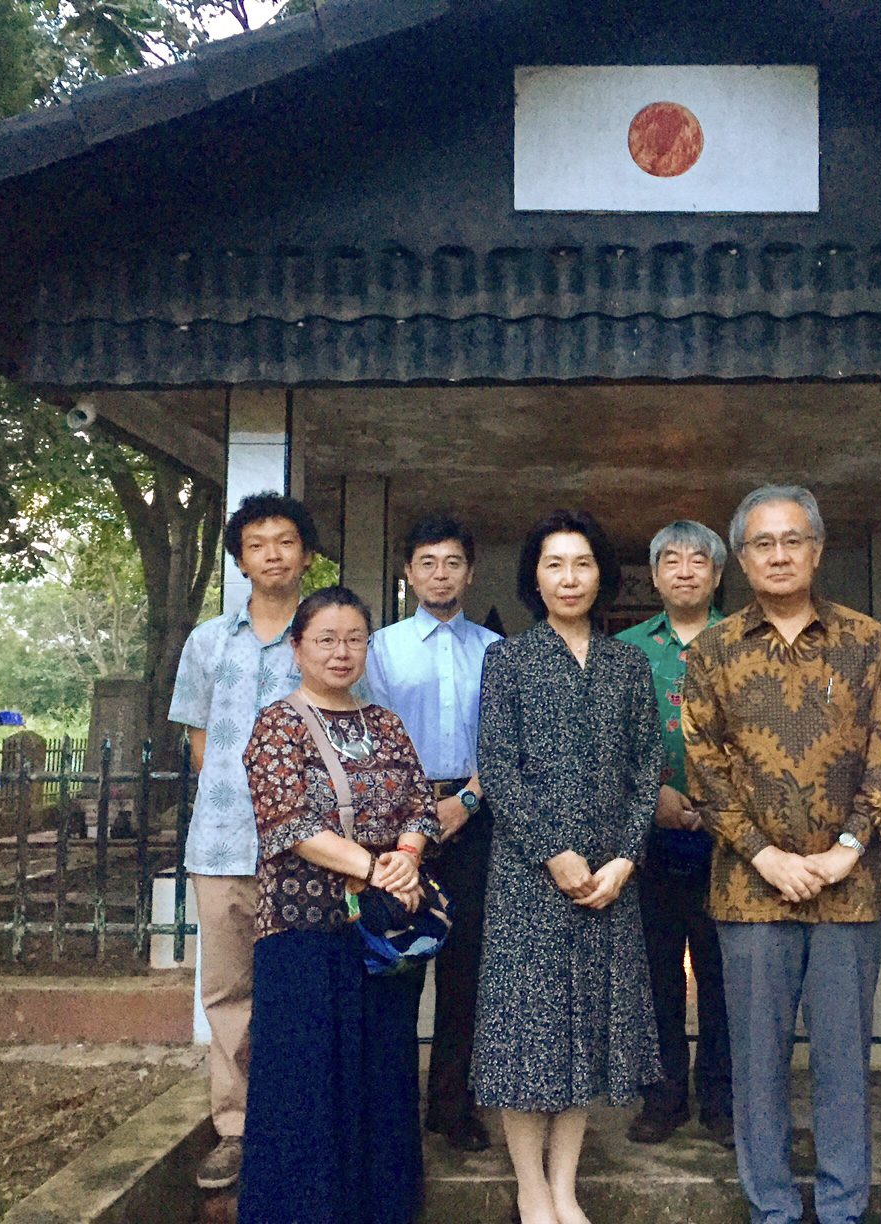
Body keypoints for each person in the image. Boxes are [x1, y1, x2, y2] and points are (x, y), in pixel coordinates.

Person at [683, 485, 881, 1224]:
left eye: (792, 541)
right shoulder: (713, 649)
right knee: (757, 1066)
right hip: (750, 892)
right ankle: (773, 1209)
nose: (778, 555)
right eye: (761, 544)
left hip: (850, 892)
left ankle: (844, 1210)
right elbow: (703, 765)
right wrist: (763, 855)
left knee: (845, 1064)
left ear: (816, 550)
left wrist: (848, 850)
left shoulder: (867, 640)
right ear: (741, 560)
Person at [471, 509, 664, 1224]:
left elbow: (649, 765)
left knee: (585, 1035)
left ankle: (565, 1184)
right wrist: (553, 853)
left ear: (601, 576)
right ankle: (529, 1185)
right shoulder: (508, 661)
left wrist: (624, 860)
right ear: (535, 577)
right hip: (530, 879)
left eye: (582, 563)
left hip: (608, 884)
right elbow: (499, 765)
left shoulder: (628, 664)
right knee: (530, 1038)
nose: (570, 577)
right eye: (555, 564)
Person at [236, 585, 442, 1224]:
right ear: (297, 647)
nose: (341, 651)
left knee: (383, 1075)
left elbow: (420, 802)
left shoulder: (384, 723)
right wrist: (378, 868)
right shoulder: (278, 724)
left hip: (380, 937)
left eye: (354, 638)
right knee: (306, 1084)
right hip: (303, 934)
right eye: (325, 638)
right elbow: (289, 823)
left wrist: (406, 856)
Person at [169, 492, 349, 1190]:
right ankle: (238, 1128)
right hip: (222, 846)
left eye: (285, 541)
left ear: (307, 553)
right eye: (256, 543)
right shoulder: (209, 642)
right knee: (227, 992)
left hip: (311, 854)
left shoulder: (328, 637)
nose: (272, 553)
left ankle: (305, 1121)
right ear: (241, 558)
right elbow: (199, 741)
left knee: (304, 987)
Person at [366, 515, 501, 1153]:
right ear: (408, 571)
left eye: (452, 562)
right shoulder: (381, 649)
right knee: (397, 961)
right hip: (396, 825)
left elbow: (507, 743)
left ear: (469, 573)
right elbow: (371, 739)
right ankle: (390, 1108)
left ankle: (453, 1106)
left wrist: (467, 802)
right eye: (427, 562)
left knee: (466, 968)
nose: (439, 573)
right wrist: (421, 813)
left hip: (477, 820)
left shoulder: (497, 650)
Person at [614, 521, 733, 1147]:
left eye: (699, 560)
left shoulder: (747, 640)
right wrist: (649, 795)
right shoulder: (625, 650)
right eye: (672, 561)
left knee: (722, 971)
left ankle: (722, 1098)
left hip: (732, 840)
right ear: (655, 575)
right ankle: (662, 1099)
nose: (685, 570)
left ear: (717, 574)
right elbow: (609, 744)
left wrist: (718, 799)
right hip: (648, 838)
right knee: (654, 971)